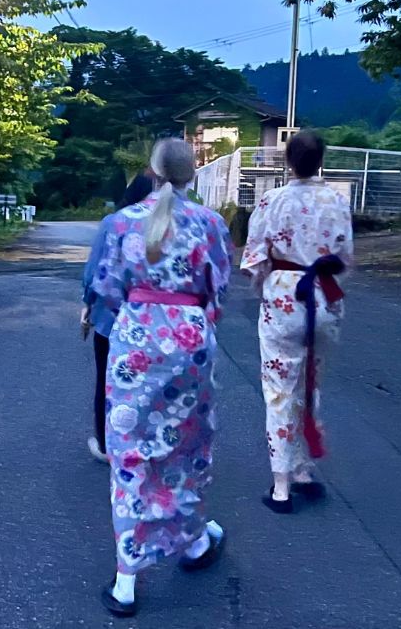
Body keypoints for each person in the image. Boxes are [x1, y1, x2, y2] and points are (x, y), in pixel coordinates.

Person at [91, 138, 233, 617]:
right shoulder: (211, 223)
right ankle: (190, 542)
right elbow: (220, 289)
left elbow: (107, 291)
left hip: (136, 340)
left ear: (151, 170)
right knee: (186, 446)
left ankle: (127, 580)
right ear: (192, 174)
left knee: (132, 451)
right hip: (191, 342)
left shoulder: (120, 224)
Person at [241, 130, 353, 514]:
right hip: (321, 297)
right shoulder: (336, 201)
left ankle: (282, 485)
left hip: (284, 297)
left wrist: (264, 283)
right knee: (311, 382)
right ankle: (304, 469)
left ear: (288, 160)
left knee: (279, 389)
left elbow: (254, 259)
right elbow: (345, 258)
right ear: (321, 159)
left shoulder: (273, 200)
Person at [80, 172, 155, 462]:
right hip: (156, 320)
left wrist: (87, 304)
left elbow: (95, 270)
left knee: (108, 380)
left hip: (111, 316)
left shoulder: (115, 222)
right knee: (147, 381)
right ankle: (145, 440)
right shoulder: (175, 222)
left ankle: (106, 443)